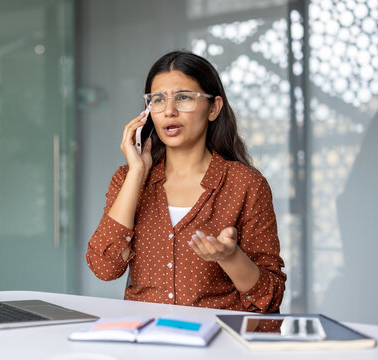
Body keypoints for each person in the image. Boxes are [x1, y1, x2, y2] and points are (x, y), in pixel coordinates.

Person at [86, 50, 286, 313]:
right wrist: (136, 173)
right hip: (145, 342)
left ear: (213, 108)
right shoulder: (127, 179)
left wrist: (230, 257)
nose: (169, 110)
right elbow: (104, 267)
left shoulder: (245, 184)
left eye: (183, 98)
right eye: (158, 100)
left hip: (217, 343)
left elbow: (270, 296)